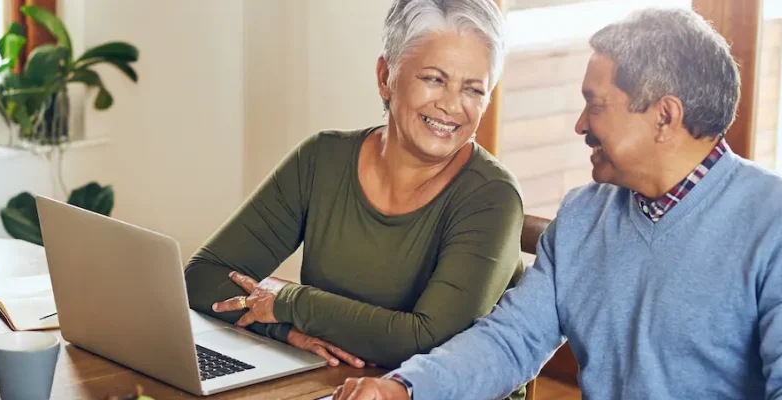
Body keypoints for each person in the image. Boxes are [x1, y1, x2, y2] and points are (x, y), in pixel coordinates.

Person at [333, 7, 782, 400]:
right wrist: (402, 388)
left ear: (665, 117)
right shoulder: (584, 215)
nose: (581, 125)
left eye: (596, 105)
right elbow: (510, 341)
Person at [184, 1, 528, 397]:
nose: (452, 106)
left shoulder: (493, 197)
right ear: (386, 76)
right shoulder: (321, 159)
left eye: (473, 89)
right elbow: (205, 275)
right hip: (333, 386)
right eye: (434, 79)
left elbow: (430, 342)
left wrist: (290, 301)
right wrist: (282, 328)